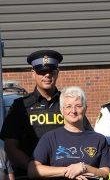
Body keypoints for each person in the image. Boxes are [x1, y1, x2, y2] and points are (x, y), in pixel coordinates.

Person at [0, 50, 92, 179]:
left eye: (51, 71)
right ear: (33, 74)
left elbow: (88, 138)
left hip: (70, 176)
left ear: (57, 72)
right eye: (41, 71)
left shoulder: (69, 104)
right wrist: (36, 170)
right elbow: (11, 147)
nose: (47, 75)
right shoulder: (20, 106)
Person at [27, 86, 110, 179]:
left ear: (85, 109)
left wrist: (84, 168)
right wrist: (69, 170)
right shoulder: (50, 138)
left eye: (78, 106)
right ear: (61, 110)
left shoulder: (98, 139)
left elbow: (105, 173)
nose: (73, 111)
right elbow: (33, 170)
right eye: (68, 106)